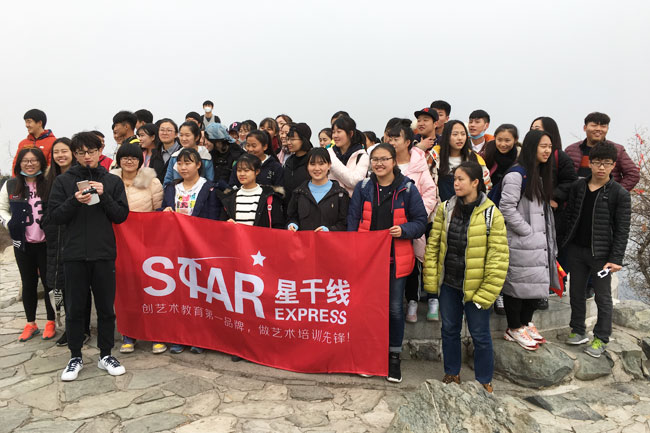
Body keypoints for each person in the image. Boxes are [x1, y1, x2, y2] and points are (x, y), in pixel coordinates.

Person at [48, 132, 129, 381]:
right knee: (74, 309)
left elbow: (121, 215)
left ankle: (106, 354)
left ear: (99, 152)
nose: (87, 156)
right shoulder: (63, 181)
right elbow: (54, 216)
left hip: (103, 253)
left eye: (91, 151)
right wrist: (74, 201)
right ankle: (75, 356)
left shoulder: (112, 181)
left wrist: (104, 195)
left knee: (106, 308)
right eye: (81, 152)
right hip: (74, 254)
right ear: (75, 154)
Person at [423, 160, 509, 393]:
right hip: (450, 283)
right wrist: (432, 280)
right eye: (455, 179)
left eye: (461, 179)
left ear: (475, 182)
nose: (456, 183)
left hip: (478, 287)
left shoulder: (491, 214)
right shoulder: (445, 208)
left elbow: (498, 258)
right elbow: (433, 246)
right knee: (449, 330)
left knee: (480, 335)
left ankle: (484, 380)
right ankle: (452, 373)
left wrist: (487, 293)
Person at [348, 143, 427, 383]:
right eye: (375, 159)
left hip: (395, 260)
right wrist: (354, 251)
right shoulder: (363, 188)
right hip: (368, 261)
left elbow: (420, 222)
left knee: (394, 309)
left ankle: (394, 358)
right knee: (367, 309)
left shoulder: (407, 189)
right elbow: (353, 220)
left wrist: (403, 230)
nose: (379, 164)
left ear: (394, 161)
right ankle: (371, 355)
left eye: (384, 159)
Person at [561, 141, 630, 358]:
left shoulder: (619, 193)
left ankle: (601, 338)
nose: (601, 167)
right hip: (576, 250)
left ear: (613, 165)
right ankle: (578, 330)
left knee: (603, 297)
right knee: (576, 292)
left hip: (602, 255)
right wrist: (564, 243)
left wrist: (616, 258)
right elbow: (569, 217)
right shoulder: (578, 187)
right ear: (589, 163)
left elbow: (622, 229)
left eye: (607, 163)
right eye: (597, 162)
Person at [499, 129, 559, 351]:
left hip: (537, 242)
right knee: (517, 285)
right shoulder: (517, 175)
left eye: (549, 147)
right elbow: (506, 208)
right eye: (543, 146)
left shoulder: (538, 174)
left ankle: (525, 323)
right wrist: (527, 232)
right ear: (532, 147)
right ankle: (514, 327)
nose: (547, 151)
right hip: (521, 241)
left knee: (535, 285)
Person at [110, 142, 164, 354]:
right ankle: (128, 334)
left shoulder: (151, 181)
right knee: (126, 289)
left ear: (140, 160)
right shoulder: (110, 180)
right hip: (119, 242)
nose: (129, 161)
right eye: (125, 157)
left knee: (151, 288)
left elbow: (158, 211)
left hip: (147, 242)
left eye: (133, 157)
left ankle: (157, 334)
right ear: (119, 160)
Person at [386, 120, 438, 323]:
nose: (392, 142)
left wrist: (417, 217)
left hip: (412, 225)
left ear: (408, 141)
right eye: (389, 138)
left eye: (396, 138)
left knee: (415, 263)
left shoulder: (418, 163)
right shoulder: (385, 162)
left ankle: (415, 301)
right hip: (390, 226)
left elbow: (430, 192)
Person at [1, 148, 56, 342]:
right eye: (25, 161)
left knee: (49, 283)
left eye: (34, 160)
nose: (30, 164)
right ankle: (30, 323)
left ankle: (51, 321)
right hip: (23, 244)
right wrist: (10, 223)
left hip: (46, 243)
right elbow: (2, 209)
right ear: (19, 163)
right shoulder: (11, 185)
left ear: (41, 162)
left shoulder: (49, 183)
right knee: (28, 283)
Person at [43, 138, 91, 347]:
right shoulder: (48, 179)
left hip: (77, 235)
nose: (60, 155)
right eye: (56, 152)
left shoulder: (82, 177)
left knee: (80, 285)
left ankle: (83, 328)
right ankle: (70, 327)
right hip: (55, 236)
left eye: (64, 151)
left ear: (73, 153)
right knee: (60, 283)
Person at [530, 116, 577, 307]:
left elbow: (571, 181)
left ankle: (552, 287)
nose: (534, 132)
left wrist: (554, 197)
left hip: (554, 215)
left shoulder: (560, 157)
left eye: (538, 128)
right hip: (532, 213)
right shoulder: (528, 157)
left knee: (552, 250)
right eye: (532, 128)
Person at [564, 112, 639, 191]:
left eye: (603, 126)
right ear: (585, 128)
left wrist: (615, 192)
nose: (598, 129)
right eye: (594, 125)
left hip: (605, 197)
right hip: (576, 196)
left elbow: (633, 174)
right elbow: (562, 176)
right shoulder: (571, 150)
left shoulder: (617, 150)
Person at [287, 148, 349, 231]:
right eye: (312, 164)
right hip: (304, 239)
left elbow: (344, 224)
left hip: (329, 239)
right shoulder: (298, 193)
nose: (317, 168)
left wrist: (329, 230)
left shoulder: (340, 194)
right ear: (307, 166)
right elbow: (291, 217)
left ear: (329, 165)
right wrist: (292, 225)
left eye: (321, 164)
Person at [432, 120, 492, 203]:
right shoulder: (434, 157)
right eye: (455, 134)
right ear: (446, 136)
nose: (460, 138)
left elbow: (486, 186)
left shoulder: (475, 159)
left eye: (463, 134)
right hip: (440, 207)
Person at [221, 153, 285, 228]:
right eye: (239, 170)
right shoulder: (229, 198)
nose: (242, 174)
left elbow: (278, 226)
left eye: (246, 170)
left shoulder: (269, 196)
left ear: (257, 172)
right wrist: (227, 224)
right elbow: (222, 224)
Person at [328, 116, 369, 197]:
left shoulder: (361, 156)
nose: (335, 136)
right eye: (333, 132)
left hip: (352, 202)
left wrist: (332, 160)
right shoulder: (329, 153)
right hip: (331, 201)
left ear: (350, 134)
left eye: (339, 132)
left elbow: (356, 182)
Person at [164, 121, 215, 185]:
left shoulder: (205, 157)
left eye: (187, 135)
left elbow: (210, 182)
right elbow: (168, 180)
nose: (183, 138)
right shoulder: (175, 157)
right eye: (181, 135)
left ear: (197, 137)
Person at [12, 109, 56, 173]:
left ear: (39, 123)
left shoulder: (53, 142)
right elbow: (16, 165)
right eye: (26, 122)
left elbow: (52, 166)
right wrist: (15, 179)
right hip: (24, 179)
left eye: (29, 122)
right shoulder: (23, 143)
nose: (26, 125)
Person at [283, 123, 313, 205]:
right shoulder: (289, 161)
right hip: (288, 207)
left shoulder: (312, 160)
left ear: (303, 140)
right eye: (288, 139)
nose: (289, 142)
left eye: (292, 139)